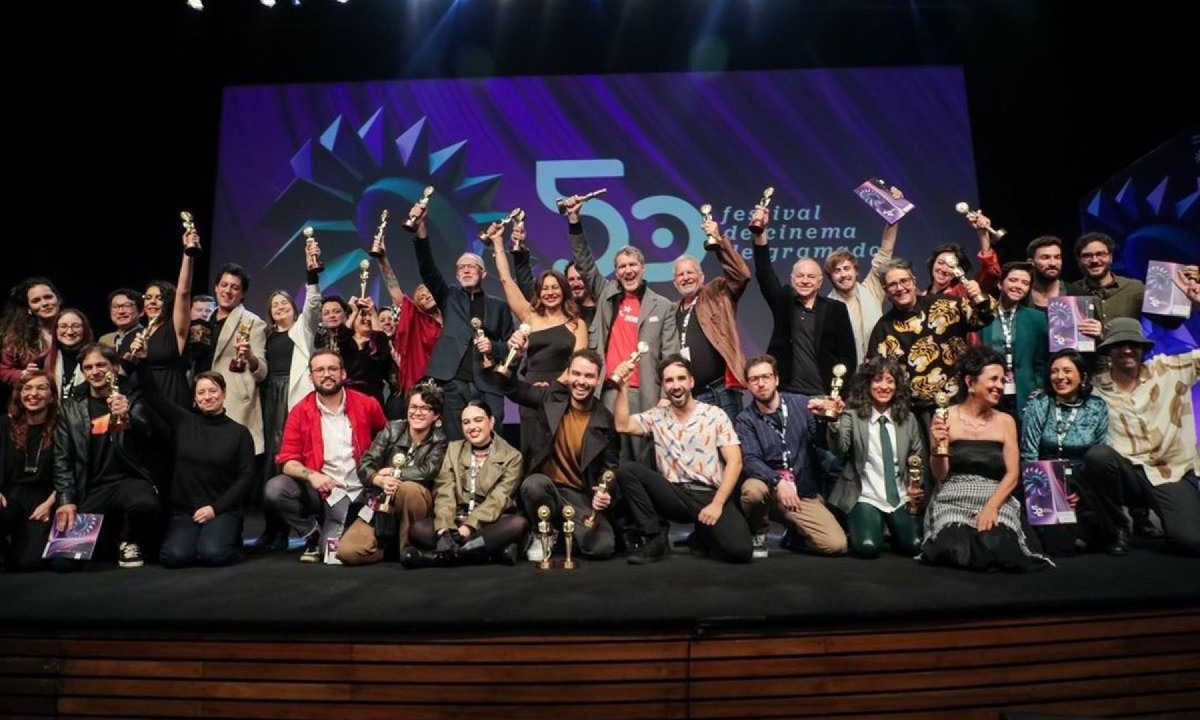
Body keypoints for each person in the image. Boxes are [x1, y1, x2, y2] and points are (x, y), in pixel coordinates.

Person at [566, 197, 679, 461]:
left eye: (632, 265)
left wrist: (665, 396)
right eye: (622, 267)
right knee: (610, 455)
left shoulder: (662, 306)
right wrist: (574, 221)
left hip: (646, 391)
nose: (627, 271)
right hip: (610, 388)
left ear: (642, 268)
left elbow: (671, 355)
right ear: (616, 272)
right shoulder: (606, 293)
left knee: (644, 457)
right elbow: (583, 262)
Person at [613, 355, 752, 564]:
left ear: (691, 382)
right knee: (627, 471)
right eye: (669, 381)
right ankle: (655, 538)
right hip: (674, 494)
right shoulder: (657, 416)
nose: (676, 385)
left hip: (709, 495)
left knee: (739, 551)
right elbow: (622, 425)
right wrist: (622, 388)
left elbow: (735, 462)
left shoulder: (715, 414)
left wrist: (717, 504)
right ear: (663, 386)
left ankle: (701, 536)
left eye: (681, 378)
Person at [921, 345, 1049, 571]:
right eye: (994, 379)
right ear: (971, 382)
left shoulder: (1006, 421)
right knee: (955, 548)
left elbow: (1012, 474)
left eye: (1003, 380)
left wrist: (991, 507)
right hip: (954, 495)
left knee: (997, 546)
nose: (1000, 386)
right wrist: (936, 447)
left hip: (995, 496)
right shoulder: (945, 415)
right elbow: (940, 474)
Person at [262, 349, 388, 561]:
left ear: (343, 374)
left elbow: (388, 440)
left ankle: (355, 532)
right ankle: (312, 535)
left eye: (332, 369)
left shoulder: (367, 404)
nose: (326, 374)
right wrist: (312, 475)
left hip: (361, 489)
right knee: (276, 489)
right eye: (319, 370)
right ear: (311, 377)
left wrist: (381, 472)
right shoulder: (299, 411)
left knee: (339, 555)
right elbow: (287, 462)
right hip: (325, 493)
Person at [1092, 317, 1200, 555]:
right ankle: (1116, 528)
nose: (1128, 349)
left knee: (1190, 542)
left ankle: (1170, 518)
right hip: (1127, 472)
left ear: (1143, 347)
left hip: (1170, 472)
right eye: (1120, 344)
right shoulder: (1095, 387)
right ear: (1109, 350)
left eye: (1133, 343)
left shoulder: (1170, 370)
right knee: (1097, 457)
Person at [502, 349, 620, 561]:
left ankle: (559, 533)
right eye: (576, 374)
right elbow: (509, 388)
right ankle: (543, 532)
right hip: (546, 485)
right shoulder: (550, 398)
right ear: (568, 374)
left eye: (589, 376)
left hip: (578, 496)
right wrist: (516, 357)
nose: (581, 382)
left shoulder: (604, 418)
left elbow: (610, 466)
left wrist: (605, 490)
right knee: (533, 485)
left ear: (597, 379)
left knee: (604, 546)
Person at [51, 344, 159, 569]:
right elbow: (62, 458)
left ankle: (129, 539)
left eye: (101, 365)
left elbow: (151, 437)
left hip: (129, 482)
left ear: (115, 367)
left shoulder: (133, 398)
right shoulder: (70, 408)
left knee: (144, 503)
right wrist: (66, 501)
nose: (95, 371)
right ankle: (108, 541)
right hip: (92, 488)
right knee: (63, 563)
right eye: (88, 367)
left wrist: (128, 417)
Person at [487, 220, 588, 457]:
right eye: (544, 288)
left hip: (563, 392)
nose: (550, 292)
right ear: (539, 293)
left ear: (563, 290)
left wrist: (553, 388)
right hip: (530, 393)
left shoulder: (576, 324)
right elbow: (506, 280)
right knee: (534, 450)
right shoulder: (529, 316)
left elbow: (578, 363)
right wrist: (498, 243)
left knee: (564, 452)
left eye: (555, 287)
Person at [410, 207, 512, 439]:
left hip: (487, 382)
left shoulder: (499, 307)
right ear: (456, 275)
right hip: (451, 380)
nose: (466, 270)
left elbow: (511, 347)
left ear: (483, 273)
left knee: (494, 437)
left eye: (471, 266)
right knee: (454, 439)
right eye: (461, 267)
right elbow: (427, 269)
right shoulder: (449, 297)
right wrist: (421, 231)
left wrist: (493, 348)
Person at [736, 355, 847, 559]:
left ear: (776, 379)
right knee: (752, 491)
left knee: (836, 545)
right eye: (754, 379)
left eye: (766, 377)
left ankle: (794, 537)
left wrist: (832, 419)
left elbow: (821, 442)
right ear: (748, 385)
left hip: (801, 492)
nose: (761, 383)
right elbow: (750, 459)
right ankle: (758, 533)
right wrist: (778, 482)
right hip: (768, 489)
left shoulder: (801, 404)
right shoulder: (745, 419)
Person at [1020, 350, 1128, 555]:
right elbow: (1029, 452)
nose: (1060, 377)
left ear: (1083, 376)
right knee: (1058, 548)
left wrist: (1078, 492)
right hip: (1045, 479)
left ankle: (1115, 529)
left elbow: (1098, 453)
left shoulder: (1096, 406)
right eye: (1054, 371)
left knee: (1101, 457)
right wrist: (1054, 490)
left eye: (1067, 371)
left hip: (1085, 481)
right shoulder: (1040, 402)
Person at [145, 371, 255, 568]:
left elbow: (246, 478)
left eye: (213, 391)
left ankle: (228, 539)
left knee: (213, 554)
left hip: (221, 508)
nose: (207, 396)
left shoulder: (239, 433)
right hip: (186, 510)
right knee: (174, 557)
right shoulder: (184, 422)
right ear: (195, 398)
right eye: (201, 392)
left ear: (223, 393)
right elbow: (154, 396)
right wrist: (141, 362)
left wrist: (215, 509)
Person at [867, 258, 994, 426]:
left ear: (913, 281)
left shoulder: (945, 305)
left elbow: (984, 318)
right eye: (893, 285)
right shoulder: (883, 328)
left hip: (958, 404)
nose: (900, 288)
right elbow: (876, 373)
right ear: (885, 291)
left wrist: (978, 296)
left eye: (904, 281)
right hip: (912, 413)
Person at [823, 356, 927, 559]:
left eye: (890, 381)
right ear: (867, 384)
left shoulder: (908, 419)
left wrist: (915, 484)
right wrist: (834, 420)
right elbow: (840, 448)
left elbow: (917, 458)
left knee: (914, 545)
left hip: (899, 495)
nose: (884, 386)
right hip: (864, 493)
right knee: (868, 547)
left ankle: (892, 528)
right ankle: (860, 525)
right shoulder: (852, 415)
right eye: (878, 380)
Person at [401, 400, 526, 567]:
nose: (472, 427)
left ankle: (435, 558)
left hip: (488, 522)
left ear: (492, 421)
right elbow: (444, 491)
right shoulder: (453, 450)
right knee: (418, 529)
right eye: (466, 422)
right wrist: (445, 530)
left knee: (517, 524)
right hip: (455, 520)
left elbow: (499, 499)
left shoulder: (512, 456)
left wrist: (468, 527)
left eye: (478, 420)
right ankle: (484, 554)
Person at [336, 383, 448, 564]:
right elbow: (365, 464)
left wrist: (395, 474)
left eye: (425, 408)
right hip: (380, 502)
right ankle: (390, 550)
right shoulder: (392, 429)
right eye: (414, 407)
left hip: (416, 501)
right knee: (346, 552)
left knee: (408, 489)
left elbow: (428, 471)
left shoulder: (440, 440)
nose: (417, 413)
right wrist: (379, 479)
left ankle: (409, 550)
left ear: (436, 415)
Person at [753, 215, 856, 399]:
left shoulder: (836, 309)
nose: (805, 281)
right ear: (792, 279)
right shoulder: (783, 301)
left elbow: (848, 357)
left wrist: (839, 394)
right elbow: (764, 273)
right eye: (800, 276)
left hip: (824, 395)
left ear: (819, 282)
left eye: (810, 277)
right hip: (787, 394)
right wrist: (760, 234)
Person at [669, 213, 752, 422]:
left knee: (731, 451)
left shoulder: (716, 293)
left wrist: (718, 241)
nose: (686, 277)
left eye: (691, 273)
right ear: (674, 282)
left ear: (701, 277)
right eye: (681, 274)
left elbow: (741, 275)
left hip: (721, 392)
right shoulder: (672, 311)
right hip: (689, 397)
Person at [260, 266, 322, 488]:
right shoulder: (265, 336)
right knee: (271, 443)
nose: (280, 307)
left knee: (293, 443)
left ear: (293, 307)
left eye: (284, 302)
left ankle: (294, 489)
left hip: (294, 391)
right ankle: (270, 494)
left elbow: (314, 303)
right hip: (269, 392)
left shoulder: (303, 329)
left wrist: (312, 275)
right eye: (275, 305)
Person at [204, 263, 269, 456]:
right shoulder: (204, 321)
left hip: (234, 401)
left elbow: (262, 371)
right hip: (203, 398)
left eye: (235, 287)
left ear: (242, 294)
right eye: (224, 285)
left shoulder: (252, 322)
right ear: (216, 288)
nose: (228, 291)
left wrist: (249, 355)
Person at [371, 231, 443, 403]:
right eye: (420, 296)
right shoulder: (419, 320)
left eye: (428, 292)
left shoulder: (453, 316)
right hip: (422, 383)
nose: (425, 295)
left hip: (452, 383)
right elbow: (395, 291)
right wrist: (382, 259)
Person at [0, 372, 58, 571]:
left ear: (52, 396)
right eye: (27, 388)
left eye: (41, 388)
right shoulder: (4, 424)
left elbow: (72, 470)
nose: (33, 393)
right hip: (9, 494)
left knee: (30, 563)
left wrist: (52, 502)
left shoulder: (62, 427)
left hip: (44, 498)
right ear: (20, 394)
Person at [825, 211, 901, 361]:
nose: (843, 275)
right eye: (837, 271)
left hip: (879, 369)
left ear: (856, 270)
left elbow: (886, 250)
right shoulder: (827, 307)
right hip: (848, 375)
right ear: (830, 277)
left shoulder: (871, 289)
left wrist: (894, 212)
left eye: (847, 269)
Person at [979, 261, 1048, 420]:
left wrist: (1038, 386)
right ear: (999, 284)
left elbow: (1042, 359)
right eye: (1013, 280)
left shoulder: (1036, 318)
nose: (1019, 286)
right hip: (990, 389)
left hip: (1024, 391)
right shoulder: (984, 315)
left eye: (1025, 283)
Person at [0, 277, 62, 394]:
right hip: (35, 399)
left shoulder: (74, 328)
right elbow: (3, 370)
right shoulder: (18, 336)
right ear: (29, 308)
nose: (44, 303)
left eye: (48, 297)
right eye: (36, 301)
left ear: (58, 300)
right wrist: (22, 374)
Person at [45, 309, 94, 400]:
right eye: (63, 326)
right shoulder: (44, 361)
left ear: (85, 329)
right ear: (55, 330)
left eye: (76, 326)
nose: (70, 332)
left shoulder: (98, 359)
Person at [97, 288, 143, 355]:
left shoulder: (148, 336)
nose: (120, 311)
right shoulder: (104, 340)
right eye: (115, 307)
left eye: (127, 306)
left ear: (141, 311)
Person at [1026, 236, 1065, 310]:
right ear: (1031, 262)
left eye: (1057, 257)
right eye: (1045, 257)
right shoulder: (1021, 296)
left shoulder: (1077, 293)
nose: (1053, 263)